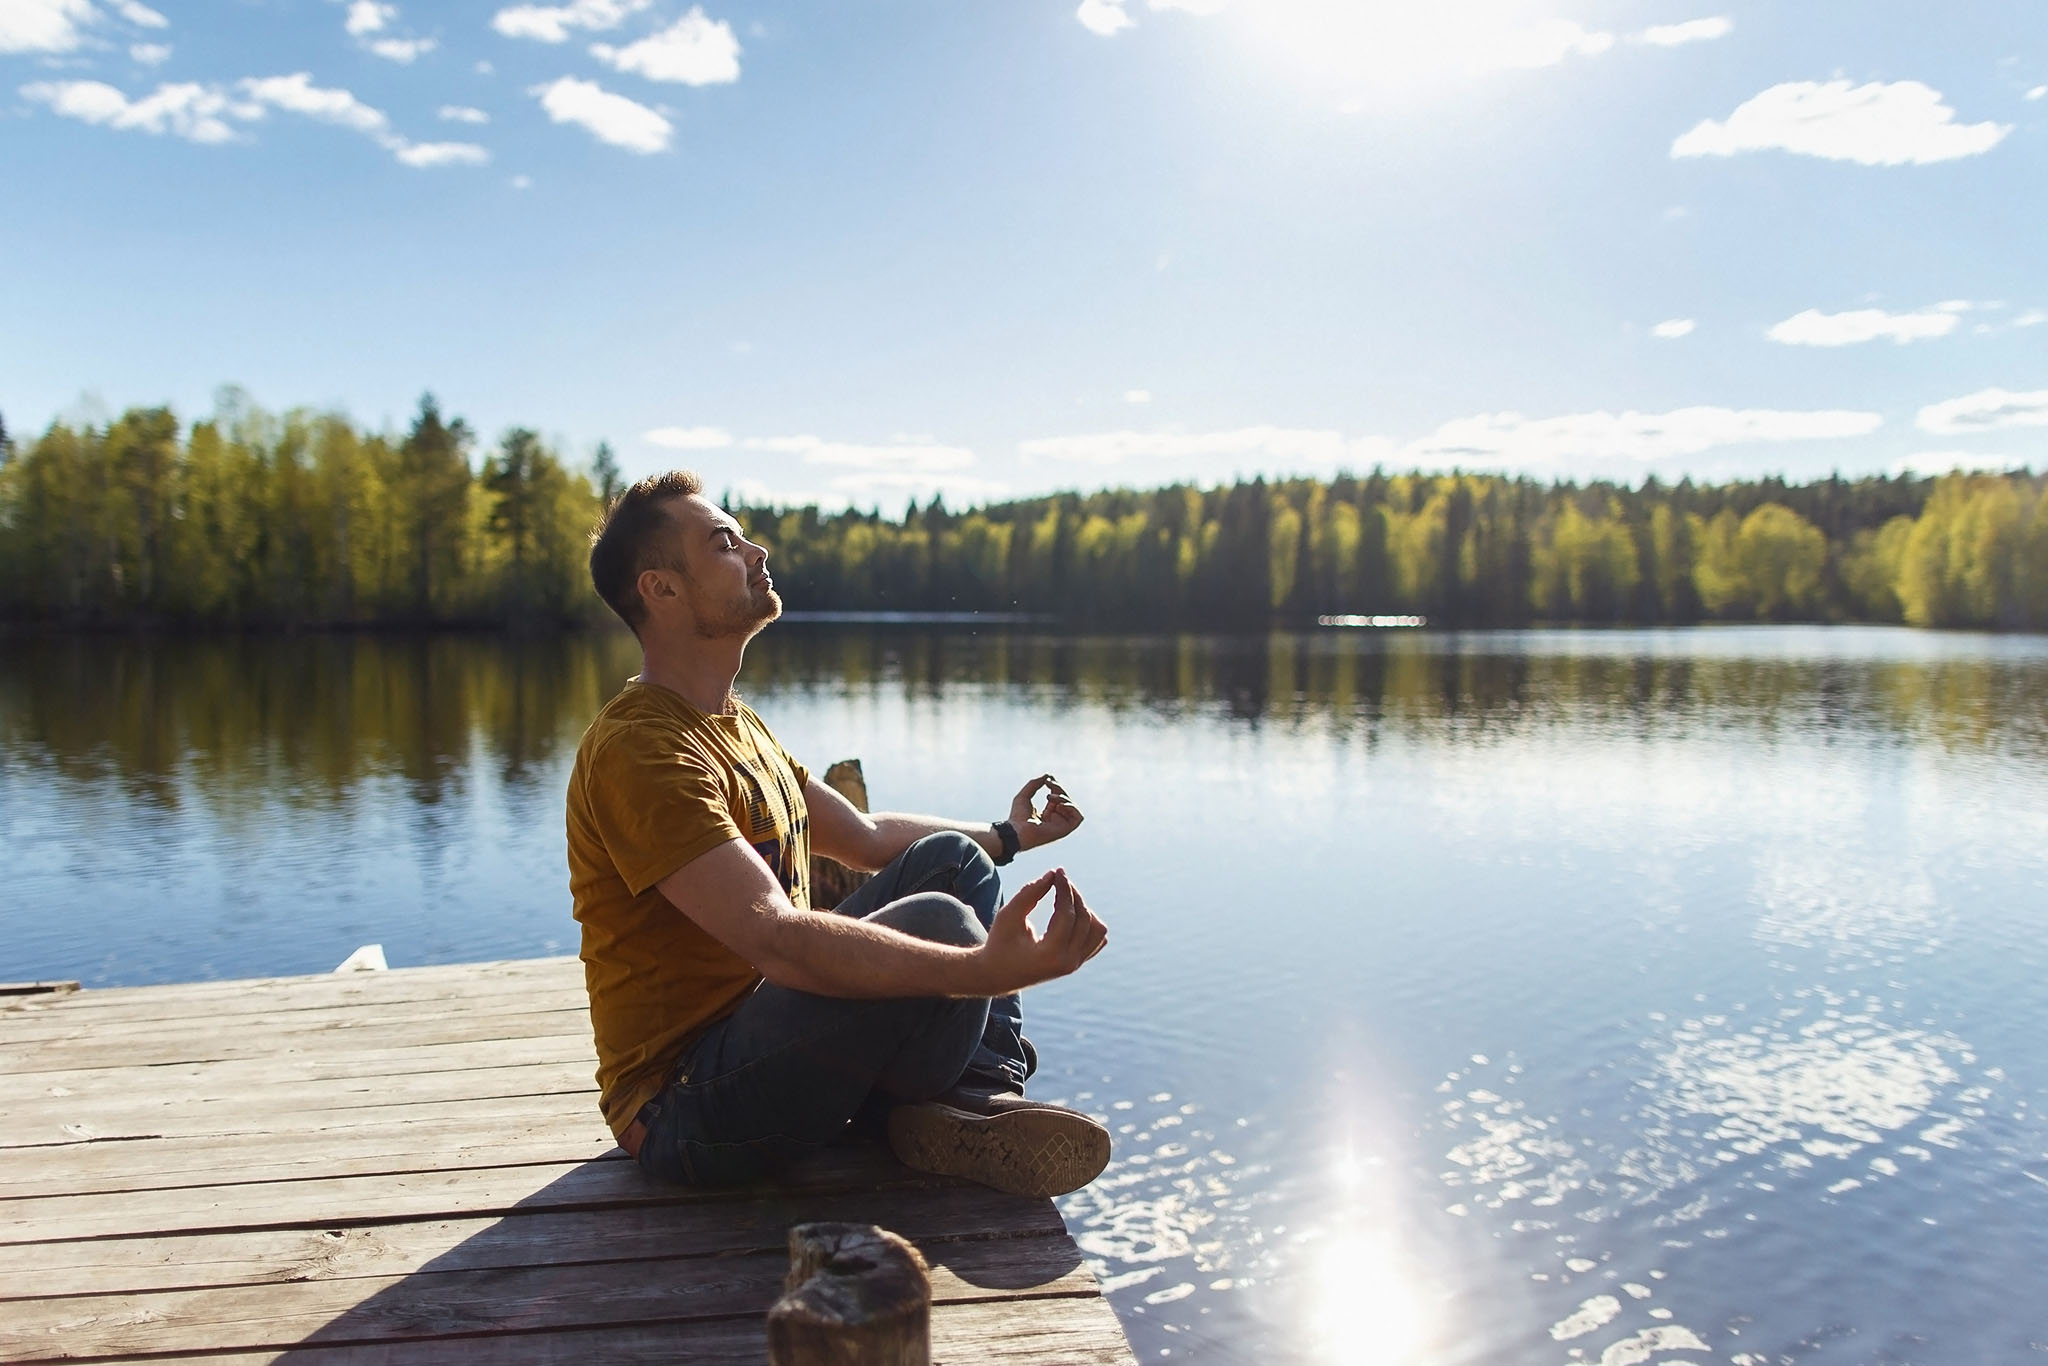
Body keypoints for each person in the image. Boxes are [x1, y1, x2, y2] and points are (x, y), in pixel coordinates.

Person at [565, 470, 1113, 1198]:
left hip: (773, 1039)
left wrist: (1009, 835)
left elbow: (862, 834)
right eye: (725, 543)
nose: (757, 551)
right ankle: (938, 1107)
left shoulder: (737, 725)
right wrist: (988, 970)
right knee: (944, 925)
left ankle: (976, 1106)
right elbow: (776, 937)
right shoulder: (643, 750)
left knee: (953, 865)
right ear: (660, 589)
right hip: (684, 1107)